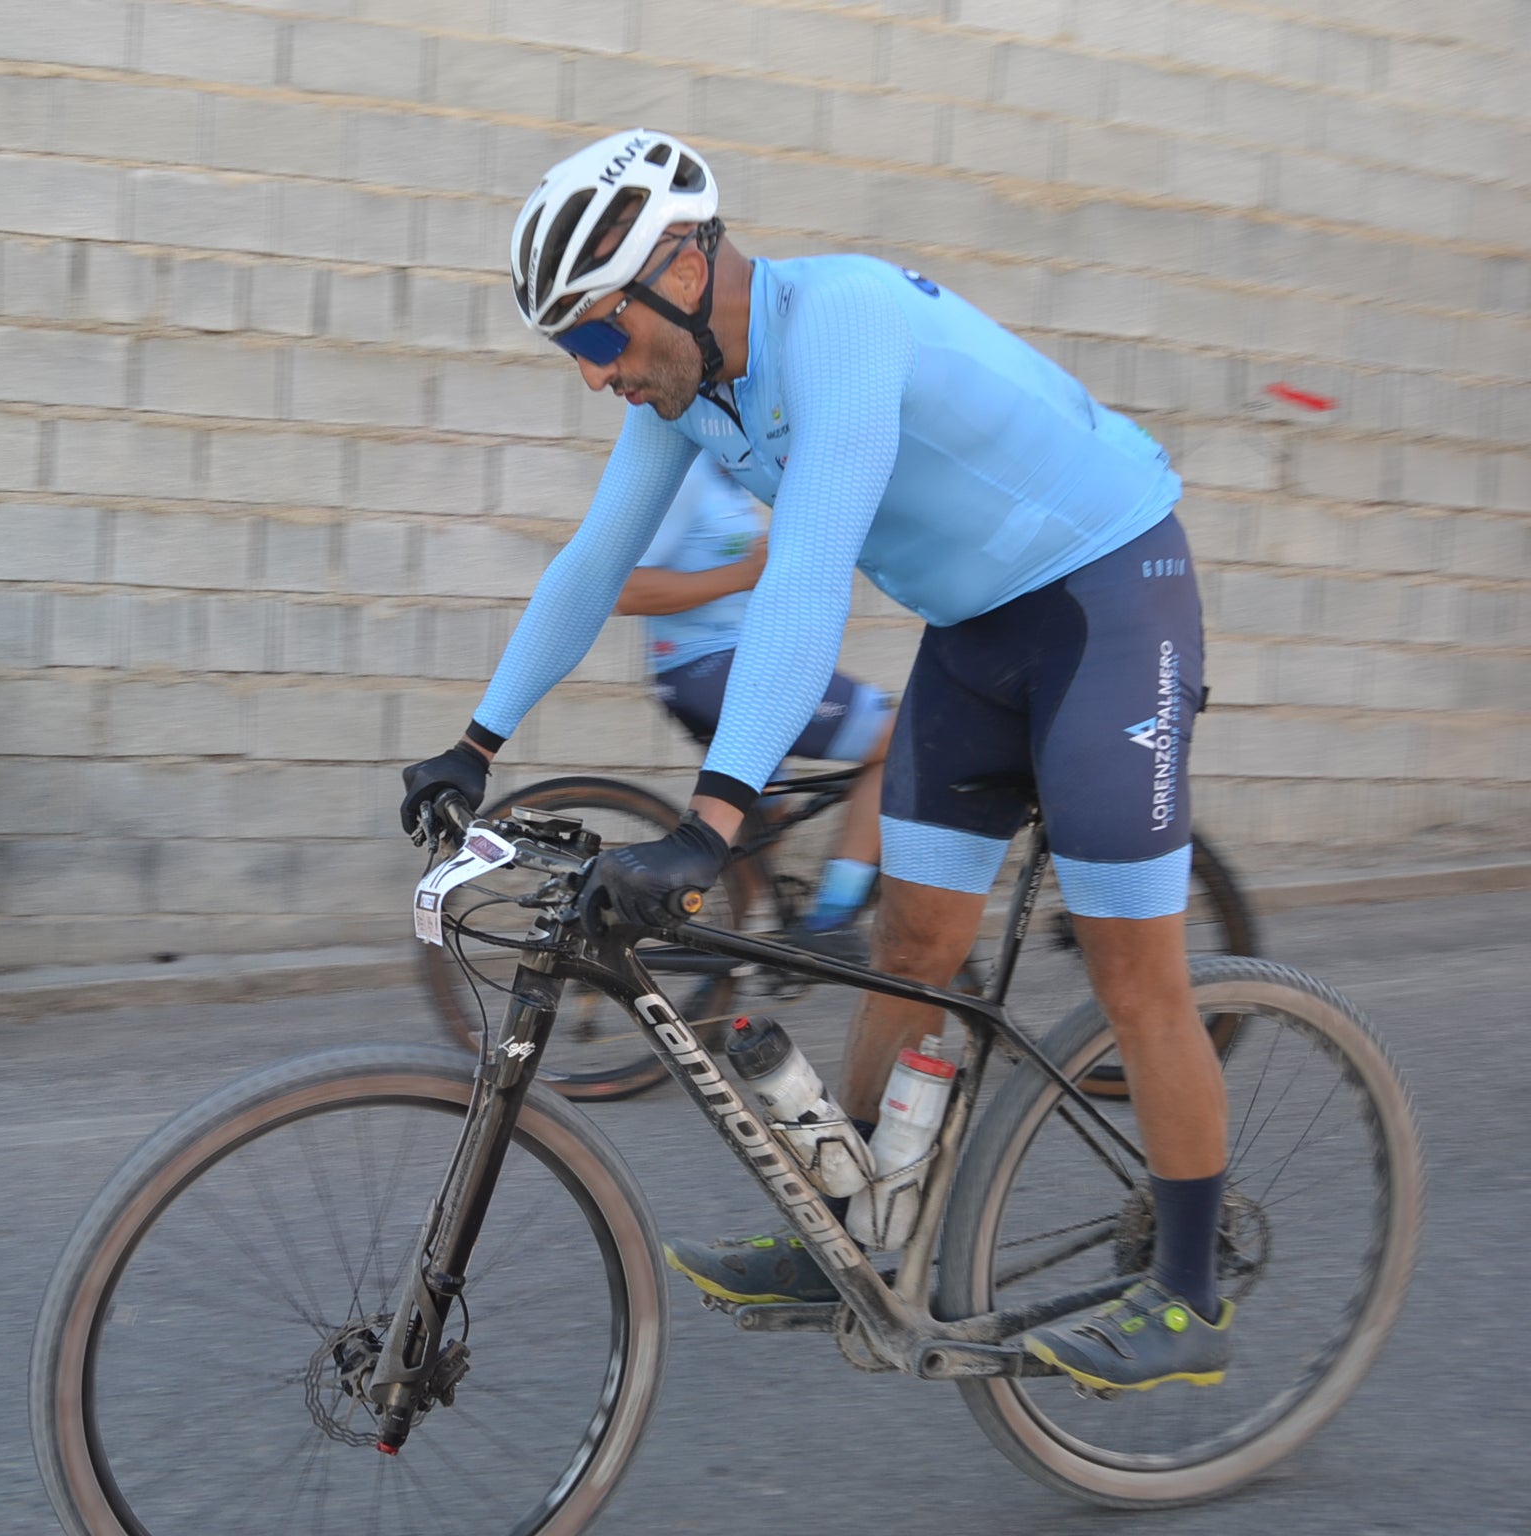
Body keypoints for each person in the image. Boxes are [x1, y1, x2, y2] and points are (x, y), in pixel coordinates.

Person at [400, 129, 1230, 1392]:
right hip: (975, 636)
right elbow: (594, 565)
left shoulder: (841, 319)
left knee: (1135, 976)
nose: (591, 375)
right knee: (909, 948)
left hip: (1109, 601)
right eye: (572, 347)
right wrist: (475, 742)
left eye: (594, 337)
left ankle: (1189, 1293)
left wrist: (713, 823)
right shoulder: (696, 390)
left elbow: (807, 577)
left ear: (681, 266)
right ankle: (867, 1231)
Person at [618, 454, 897, 959]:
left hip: (717, 672)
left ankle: (726, 959)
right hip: (722, 672)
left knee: (768, 812)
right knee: (896, 739)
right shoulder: (690, 478)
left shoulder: (727, 477)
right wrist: (748, 571)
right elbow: (628, 588)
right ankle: (832, 917)